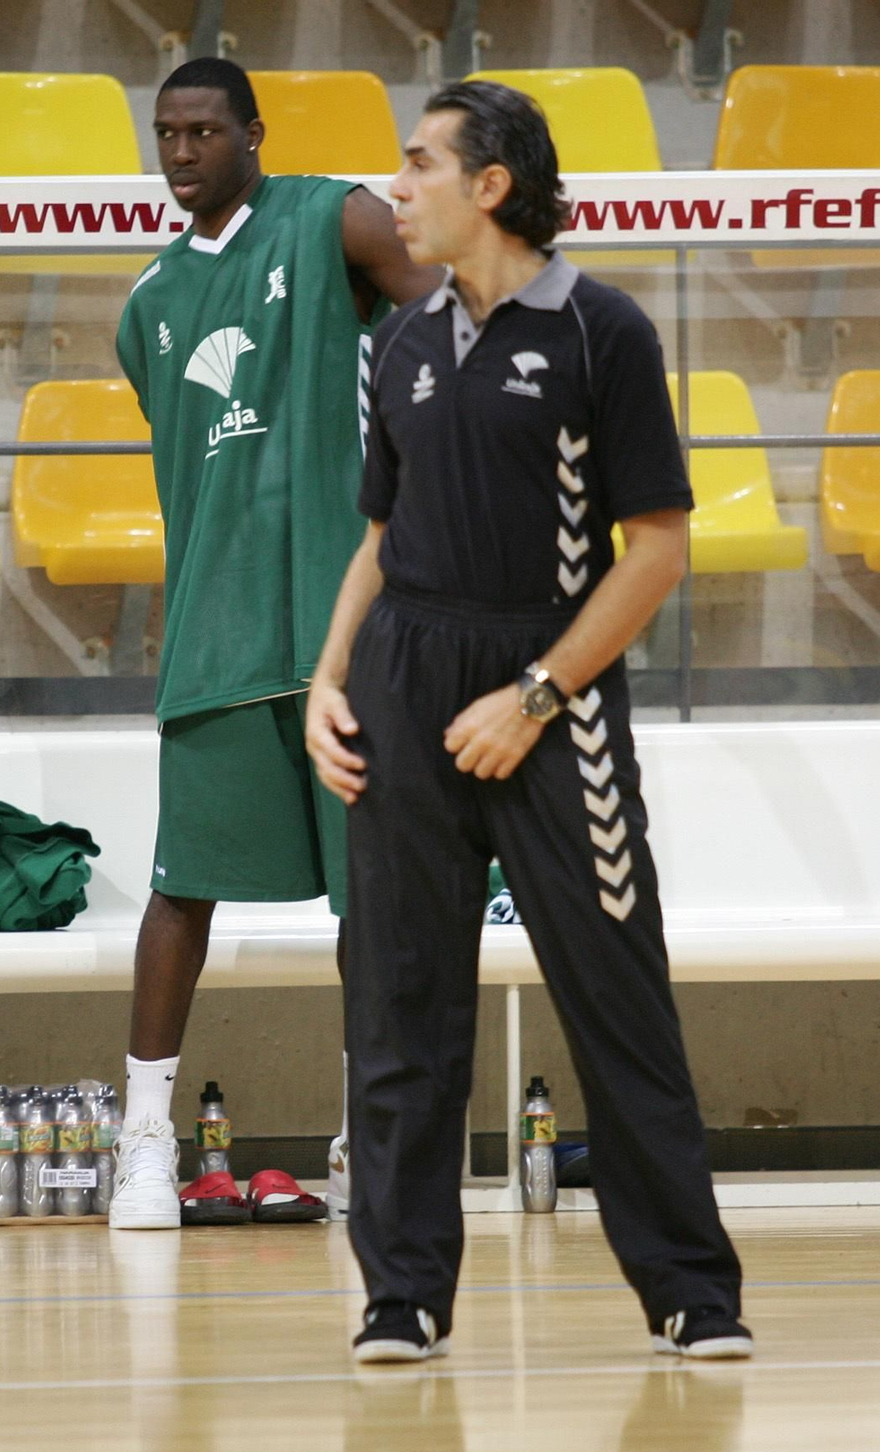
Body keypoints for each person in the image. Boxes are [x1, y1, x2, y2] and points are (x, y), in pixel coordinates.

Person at [305, 81, 750, 1361]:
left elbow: (656, 549)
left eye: (417, 163)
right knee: (396, 1008)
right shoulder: (395, 344)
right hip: (400, 684)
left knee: (617, 999)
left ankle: (689, 1290)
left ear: (490, 183)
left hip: (555, 694)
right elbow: (381, 541)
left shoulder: (601, 328)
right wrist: (327, 687)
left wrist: (540, 694)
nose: (396, 188)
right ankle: (401, 1295)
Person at [109, 57, 440, 1229]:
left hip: (343, 636)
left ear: (252, 133)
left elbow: (445, 317)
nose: (182, 151)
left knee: (376, 901)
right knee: (179, 893)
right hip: (215, 633)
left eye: (203, 130)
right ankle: (144, 1138)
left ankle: (375, 1133)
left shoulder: (326, 216)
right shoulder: (144, 306)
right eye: (166, 133)